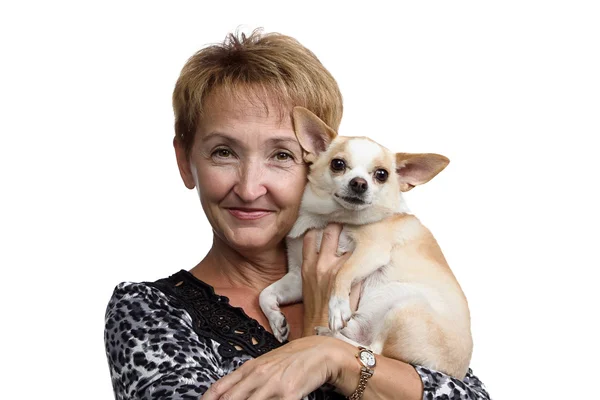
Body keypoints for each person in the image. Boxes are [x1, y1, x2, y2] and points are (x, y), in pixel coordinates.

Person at [104, 29, 491, 400]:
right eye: (224, 152)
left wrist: (338, 358)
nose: (250, 186)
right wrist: (319, 340)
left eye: (282, 155)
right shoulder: (149, 311)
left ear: (317, 162)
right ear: (186, 163)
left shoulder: (380, 274)